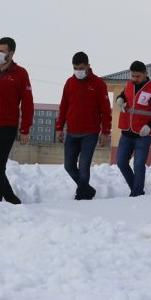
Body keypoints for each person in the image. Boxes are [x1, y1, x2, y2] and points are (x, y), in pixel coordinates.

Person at [0, 37, 34, 204]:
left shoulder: (20, 73)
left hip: (8, 125)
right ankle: (11, 198)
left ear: (11, 53)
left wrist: (25, 129)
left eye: (2, 51)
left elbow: (27, 103)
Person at [55, 52, 111, 200]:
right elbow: (63, 106)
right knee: (68, 166)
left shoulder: (98, 84)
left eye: (80, 67)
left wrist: (105, 132)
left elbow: (105, 110)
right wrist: (59, 127)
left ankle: (81, 196)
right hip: (72, 132)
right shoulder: (69, 83)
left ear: (88, 66)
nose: (77, 71)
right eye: (75, 68)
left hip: (90, 133)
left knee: (84, 166)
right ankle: (87, 190)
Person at [114, 61, 151, 196]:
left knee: (138, 165)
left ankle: (136, 194)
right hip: (127, 131)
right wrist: (119, 99)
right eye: (133, 76)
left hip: (144, 134)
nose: (135, 79)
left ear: (145, 74)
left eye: (138, 76)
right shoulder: (128, 85)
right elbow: (123, 96)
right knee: (121, 162)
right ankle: (137, 190)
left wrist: (149, 126)